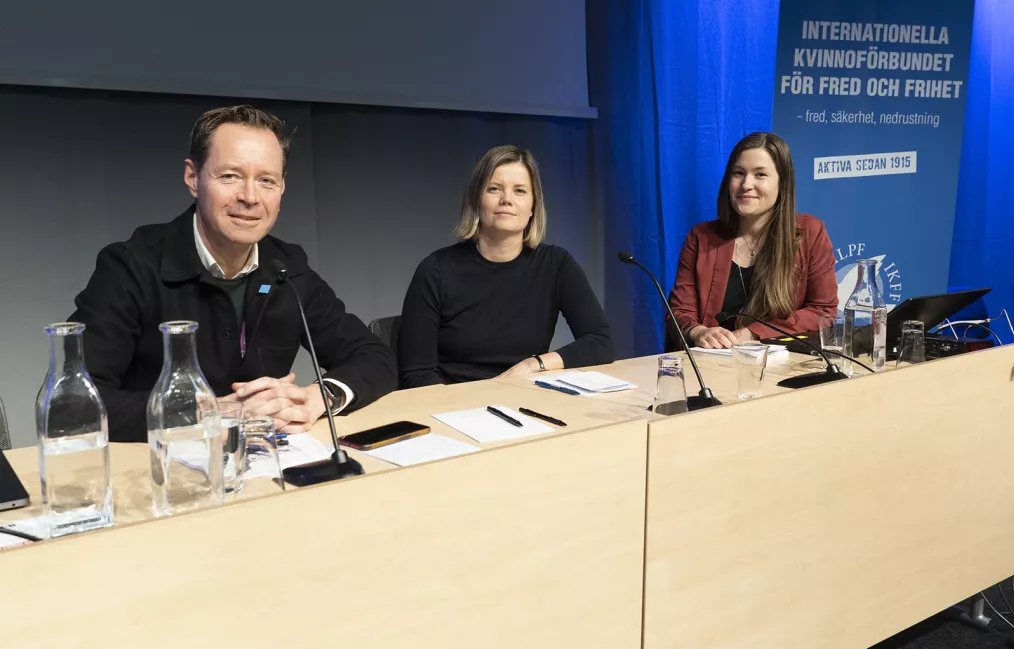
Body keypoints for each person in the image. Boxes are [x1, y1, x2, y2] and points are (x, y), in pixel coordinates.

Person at [70, 105, 397, 442]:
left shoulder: (286, 266)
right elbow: (76, 404)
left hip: (269, 464)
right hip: (163, 472)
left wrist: (317, 398)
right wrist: (212, 414)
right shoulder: (129, 266)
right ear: (192, 178)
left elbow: (374, 357)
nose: (250, 197)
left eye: (266, 180)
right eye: (230, 176)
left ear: (282, 188)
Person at [398, 145, 614, 387]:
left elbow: (601, 341)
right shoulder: (436, 269)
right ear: (476, 199)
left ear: (532, 207)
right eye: (494, 189)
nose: (506, 200)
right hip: (454, 405)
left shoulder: (556, 264)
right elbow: (417, 375)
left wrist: (534, 364)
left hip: (525, 401)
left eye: (520, 191)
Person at [668, 132, 839, 349]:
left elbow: (822, 311)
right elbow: (680, 312)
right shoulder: (701, 237)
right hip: (711, 365)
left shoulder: (810, 232)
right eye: (738, 173)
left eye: (760, 175)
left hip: (779, 366)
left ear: (782, 183)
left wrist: (751, 334)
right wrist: (699, 332)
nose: (746, 184)